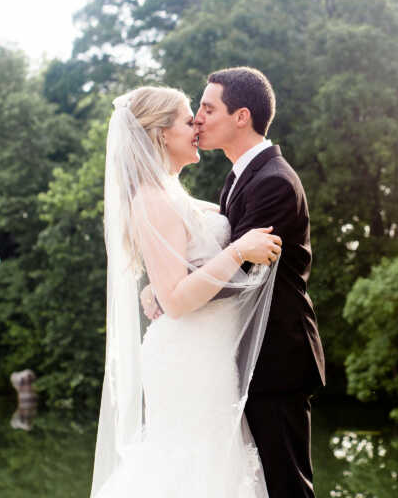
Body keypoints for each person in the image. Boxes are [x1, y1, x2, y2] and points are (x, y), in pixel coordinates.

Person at [90, 86, 283, 498]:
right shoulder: (153, 199)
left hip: (208, 352)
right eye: (185, 119)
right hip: (189, 357)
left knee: (212, 470)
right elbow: (177, 299)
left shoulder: (172, 195)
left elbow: (173, 278)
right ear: (161, 133)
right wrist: (237, 251)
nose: (196, 124)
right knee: (193, 471)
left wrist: (154, 291)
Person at [194, 67, 326, 498]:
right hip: (247, 356)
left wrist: (172, 291)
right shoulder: (238, 177)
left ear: (241, 116)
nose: (198, 118)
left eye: (208, 108)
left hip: (276, 359)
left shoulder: (273, 182)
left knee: (287, 488)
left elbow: (241, 280)